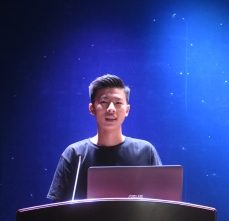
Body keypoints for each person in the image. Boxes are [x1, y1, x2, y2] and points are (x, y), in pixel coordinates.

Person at [47, 74, 162, 202]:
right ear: (91, 108)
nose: (111, 109)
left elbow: (162, 202)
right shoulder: (75, 154)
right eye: (104, 102)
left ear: (127, 110)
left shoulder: (145, 151)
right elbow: (56, 209)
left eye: (118, 103)